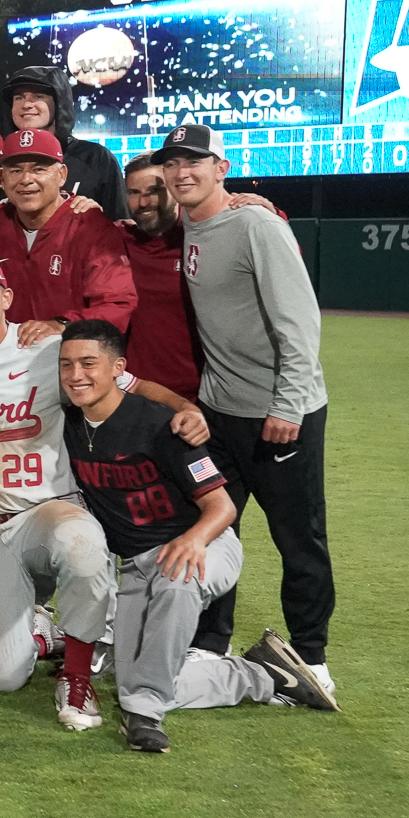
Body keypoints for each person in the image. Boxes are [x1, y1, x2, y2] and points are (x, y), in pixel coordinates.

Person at [0, 253, 204, 729]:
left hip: (47, 510)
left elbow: (129, 384)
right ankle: (48, 633)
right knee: (3, 677)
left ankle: (77, 675)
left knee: (82, 542)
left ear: (6, 297)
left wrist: (184, 408)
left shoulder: (47, 349)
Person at [57, 319, 337, 754]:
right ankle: (266, 676)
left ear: (118, 368)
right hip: (137, 565)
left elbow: (222, 507)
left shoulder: (162, 425)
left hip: (205, 544)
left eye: (89, 363)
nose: (76, 374)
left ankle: (145, 717)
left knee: (178, 580)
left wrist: (193, 540)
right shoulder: (69, 423)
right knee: (135, 678)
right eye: (67, 365)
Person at [154, 123, 335, 692]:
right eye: (172, 163)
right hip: (219, 412)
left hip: (278, 414)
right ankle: (211, 643)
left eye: (194, 162)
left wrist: (289, 405)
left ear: (221, 169)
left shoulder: (257, 225)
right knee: (214, 527)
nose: (182, 172)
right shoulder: (189, 222)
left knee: (297, 537)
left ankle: (312, 657)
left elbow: (299, 324)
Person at [0, 129, 136, 340]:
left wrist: (63, 325)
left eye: (39, 169)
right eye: (16, 170)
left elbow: (117, 305)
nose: (26, 179)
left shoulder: (92, 227)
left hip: (69, 351)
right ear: (2, 178)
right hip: (3, 354)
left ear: (62, 175)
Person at [117, 152, 203, 401]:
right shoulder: (116, 238)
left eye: (154, 191)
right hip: (136, 393)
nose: (143, 202)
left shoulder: (201, 234)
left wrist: (264, 209)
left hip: (202, 394)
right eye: (134, 192)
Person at [3, 66, 125, 219]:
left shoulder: (95, 158)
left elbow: (120, 222)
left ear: (60, 102)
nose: (26, 105)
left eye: (39, 96)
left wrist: (98, 219)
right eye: (18, 98)